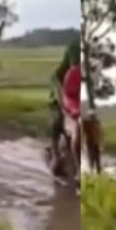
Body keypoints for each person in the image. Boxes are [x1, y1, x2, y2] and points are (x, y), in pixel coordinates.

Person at [48, 40, 80, 172]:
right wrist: (63, 105)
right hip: (60, 96)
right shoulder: (74, 48)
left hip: (75, 98)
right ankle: (56, 156)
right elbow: (58, 89)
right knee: (57, 124)